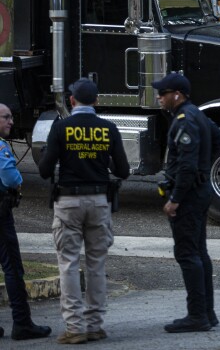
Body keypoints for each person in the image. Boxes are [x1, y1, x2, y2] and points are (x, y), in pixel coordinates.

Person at [38, 79, 130, 344]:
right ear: (97, 102)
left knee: (68, 264)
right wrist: (102, 158)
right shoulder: (108, 128)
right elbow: (123, 171)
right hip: (100, 201)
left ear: (72, 101)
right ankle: (94, 325)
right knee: (96, 265)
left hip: (68, 202)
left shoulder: (62, 127)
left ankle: (75, 328)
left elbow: (44, 171)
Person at [152, 72, 220, 333]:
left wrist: (175, 199)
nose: (159, 98)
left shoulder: (184, 119)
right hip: (200, 190)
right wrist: (205, 167)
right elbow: (217, 138)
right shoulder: (197, 114)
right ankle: (207, 312)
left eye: (163, 93)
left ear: (177, 95)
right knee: (199, 252)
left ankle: (197, 315)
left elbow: (186, 165)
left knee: (187, 253)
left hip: (189, 196)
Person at [0, 104, 52, 341]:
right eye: (6, 117)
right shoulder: (0, 147)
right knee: (13, 268)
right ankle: (22, 323)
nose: (11, 121)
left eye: (11, 116)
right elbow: (9, 176)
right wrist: (19, 181)